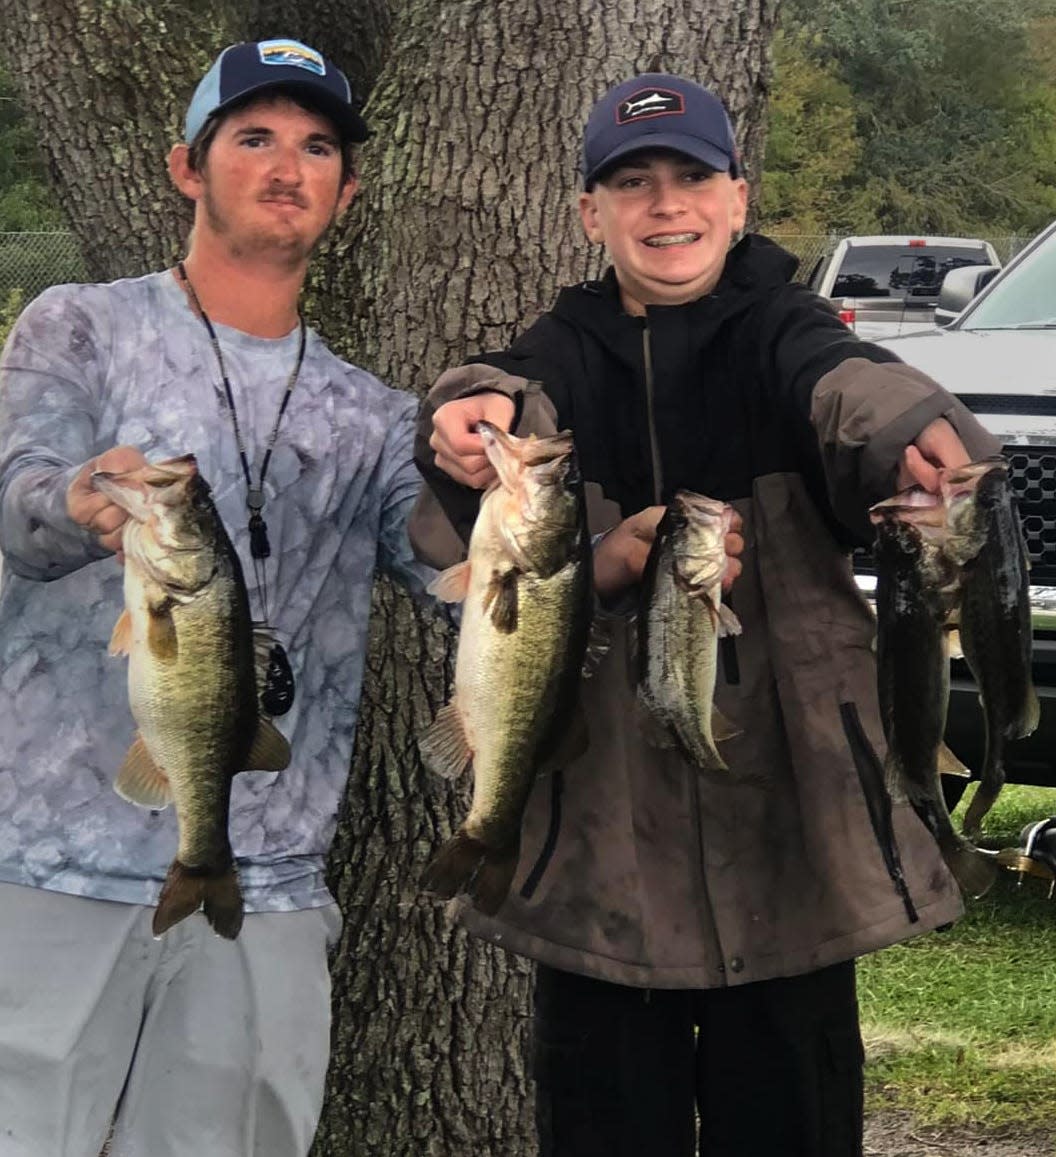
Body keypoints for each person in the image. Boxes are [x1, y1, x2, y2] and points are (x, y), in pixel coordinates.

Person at [409, 73, 1003, 1157]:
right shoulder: (558, 359)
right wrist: (466, 417)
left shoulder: (788, 333)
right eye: (630, 181)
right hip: (601, 868)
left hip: (792, 854)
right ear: (590, 214)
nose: (664, 203)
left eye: (691, 176)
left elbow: (851, 390)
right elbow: (497, 412)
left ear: (737, 197)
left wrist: (920, 428)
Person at [0, 38, 430, 1157]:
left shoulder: (374, 414)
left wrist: (484, 468)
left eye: (317, 145)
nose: (288, 164)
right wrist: (74, 497)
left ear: (346, 185)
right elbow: (11, 498)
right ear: (187, 167)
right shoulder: (79, 325)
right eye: (254, 137)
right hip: (46, 857)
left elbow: (445, 567)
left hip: (265, 880)